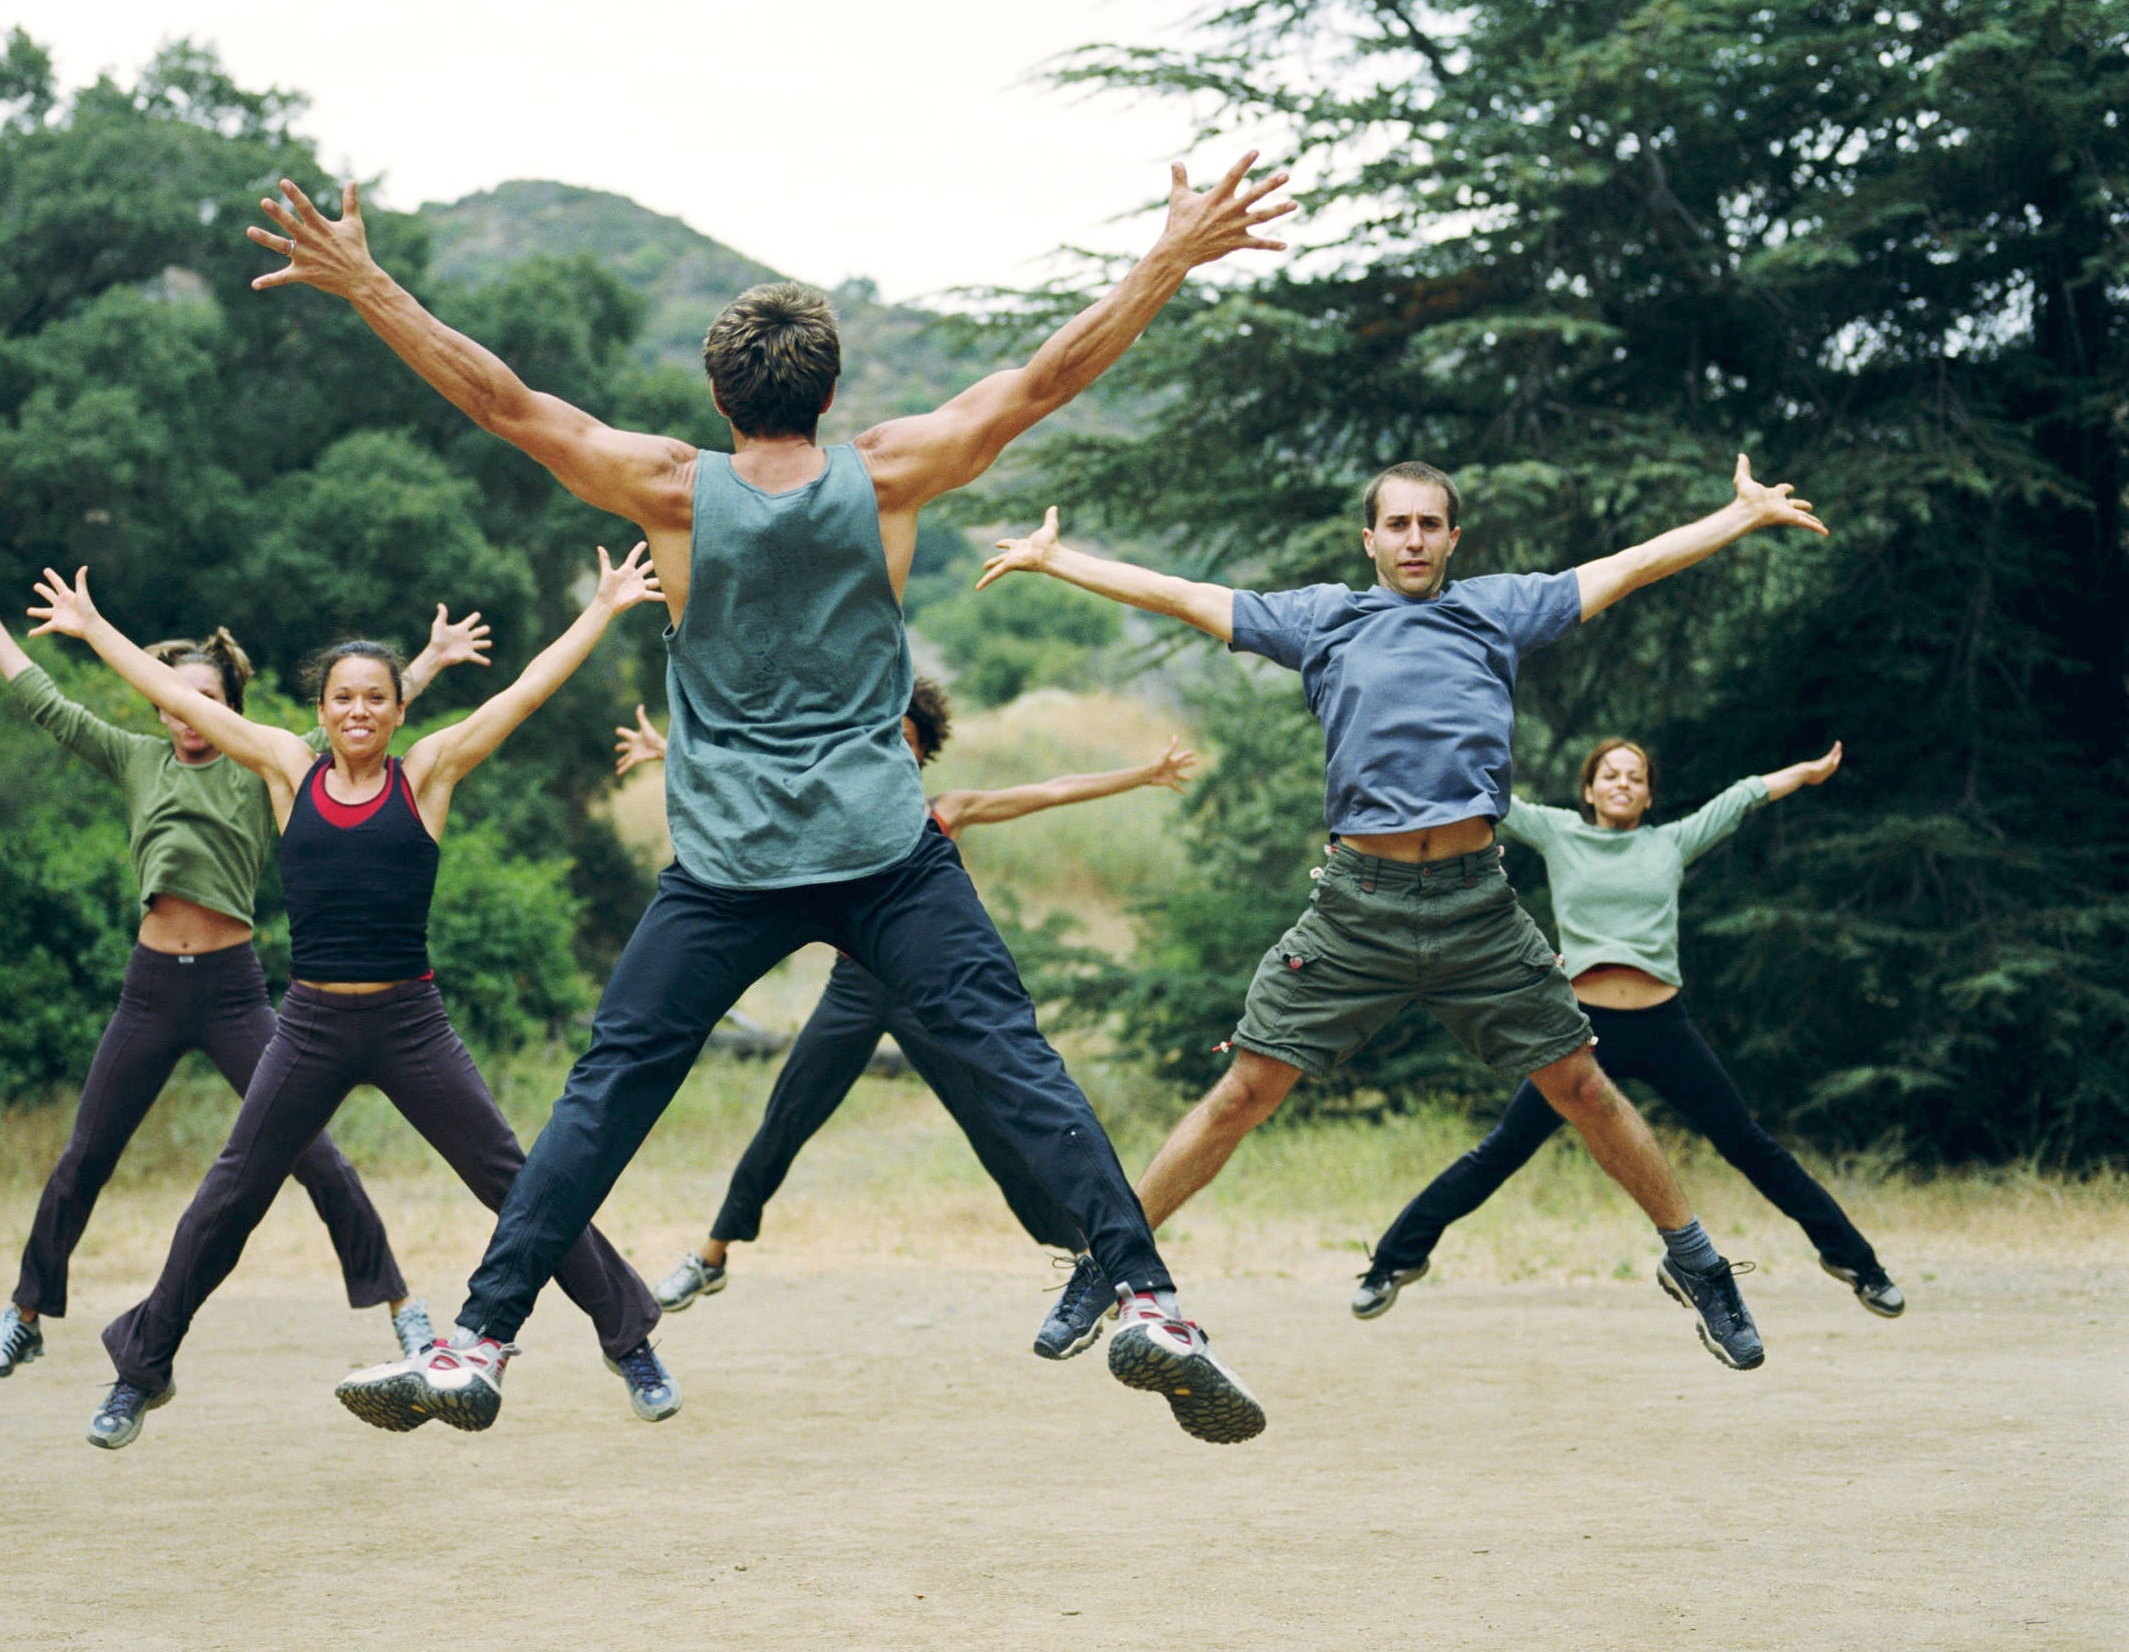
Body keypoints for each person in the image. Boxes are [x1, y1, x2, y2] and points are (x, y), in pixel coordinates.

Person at [247, 154, 1295, 1442]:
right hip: (882, 848)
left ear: (717, 392)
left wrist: (368, 285)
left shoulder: (672, 490)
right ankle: (1146, 1303)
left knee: (607, 1091)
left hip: (729, 864)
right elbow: (1048, 378)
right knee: (1014, 1059)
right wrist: (1168, 259)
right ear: (832, 389)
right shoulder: (893, 472)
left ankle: (478, 1343)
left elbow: (507, 405)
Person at [975, 456, 1832, 1371]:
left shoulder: (1497, 609)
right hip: (1357, 909)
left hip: (1477, 908)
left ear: (1453, 539)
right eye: (1399, 525)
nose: (1415, 539)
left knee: (1582, 1086)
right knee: (1246, 1092)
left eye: (1431, 525)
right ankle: (1110, 1265)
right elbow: (1184, 595)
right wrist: (1058, 560)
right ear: (1371, 538)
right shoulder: (1324, 620)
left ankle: (1697, 1266)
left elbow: (1626, 567)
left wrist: (1736, 519)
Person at [19, 549, 679, 1448]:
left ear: (400, 707)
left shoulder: (429, 773)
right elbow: (186, 702)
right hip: (312, 1026)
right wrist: (94, 631)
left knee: (521, 1184)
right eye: (343, 697)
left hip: (411, 1022)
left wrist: (602, 608)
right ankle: (140, 1372)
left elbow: (522, 694)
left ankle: (630, 1340)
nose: (359, 710)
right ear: (321, 710)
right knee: (230, 1196)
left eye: (376, 697)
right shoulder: (288, 768)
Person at [0, 569, 489, 1382]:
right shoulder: (133, 759)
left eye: (212, 700)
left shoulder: (265, 764)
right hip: (151, 988)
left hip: (234, 990)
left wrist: (429, 662)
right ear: (163, 706)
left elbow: (357, 717)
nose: (195, 713)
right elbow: (45, 703)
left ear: (230, 708)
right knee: (87, 1152)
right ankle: (23, 1315)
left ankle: (402, 1310)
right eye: (180, 698)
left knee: (317, 1157)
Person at [619, 685, 1201, 1360]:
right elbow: (754, 773)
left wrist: (1143, 774)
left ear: (922, 750)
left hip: (929, 993)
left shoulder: (942, 812)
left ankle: (1098, 1260)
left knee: (1000, 1128)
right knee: (787, 1116)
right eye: (880, 733)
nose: (890, 743)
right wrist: (669, 749)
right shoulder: (838, 806)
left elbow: (1051, 789)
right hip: (854, 989)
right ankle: (712, 1255)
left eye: (904, 735)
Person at [1355, 737, 1904, 1320]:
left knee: (1749, 1145)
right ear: (1589, 791)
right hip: (1580, 1033)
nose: (1622, 784)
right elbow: (1483, 796)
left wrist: (1807, 771)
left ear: (1647, 797)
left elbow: (1743, 796)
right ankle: (1392, 1262)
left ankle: (1859, 1266)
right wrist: (1407, 748)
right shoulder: (1559, 831)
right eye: (1610, 775)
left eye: (1635, 777)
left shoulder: (1670, 841)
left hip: (1663, 1028)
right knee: (1501, 1151)